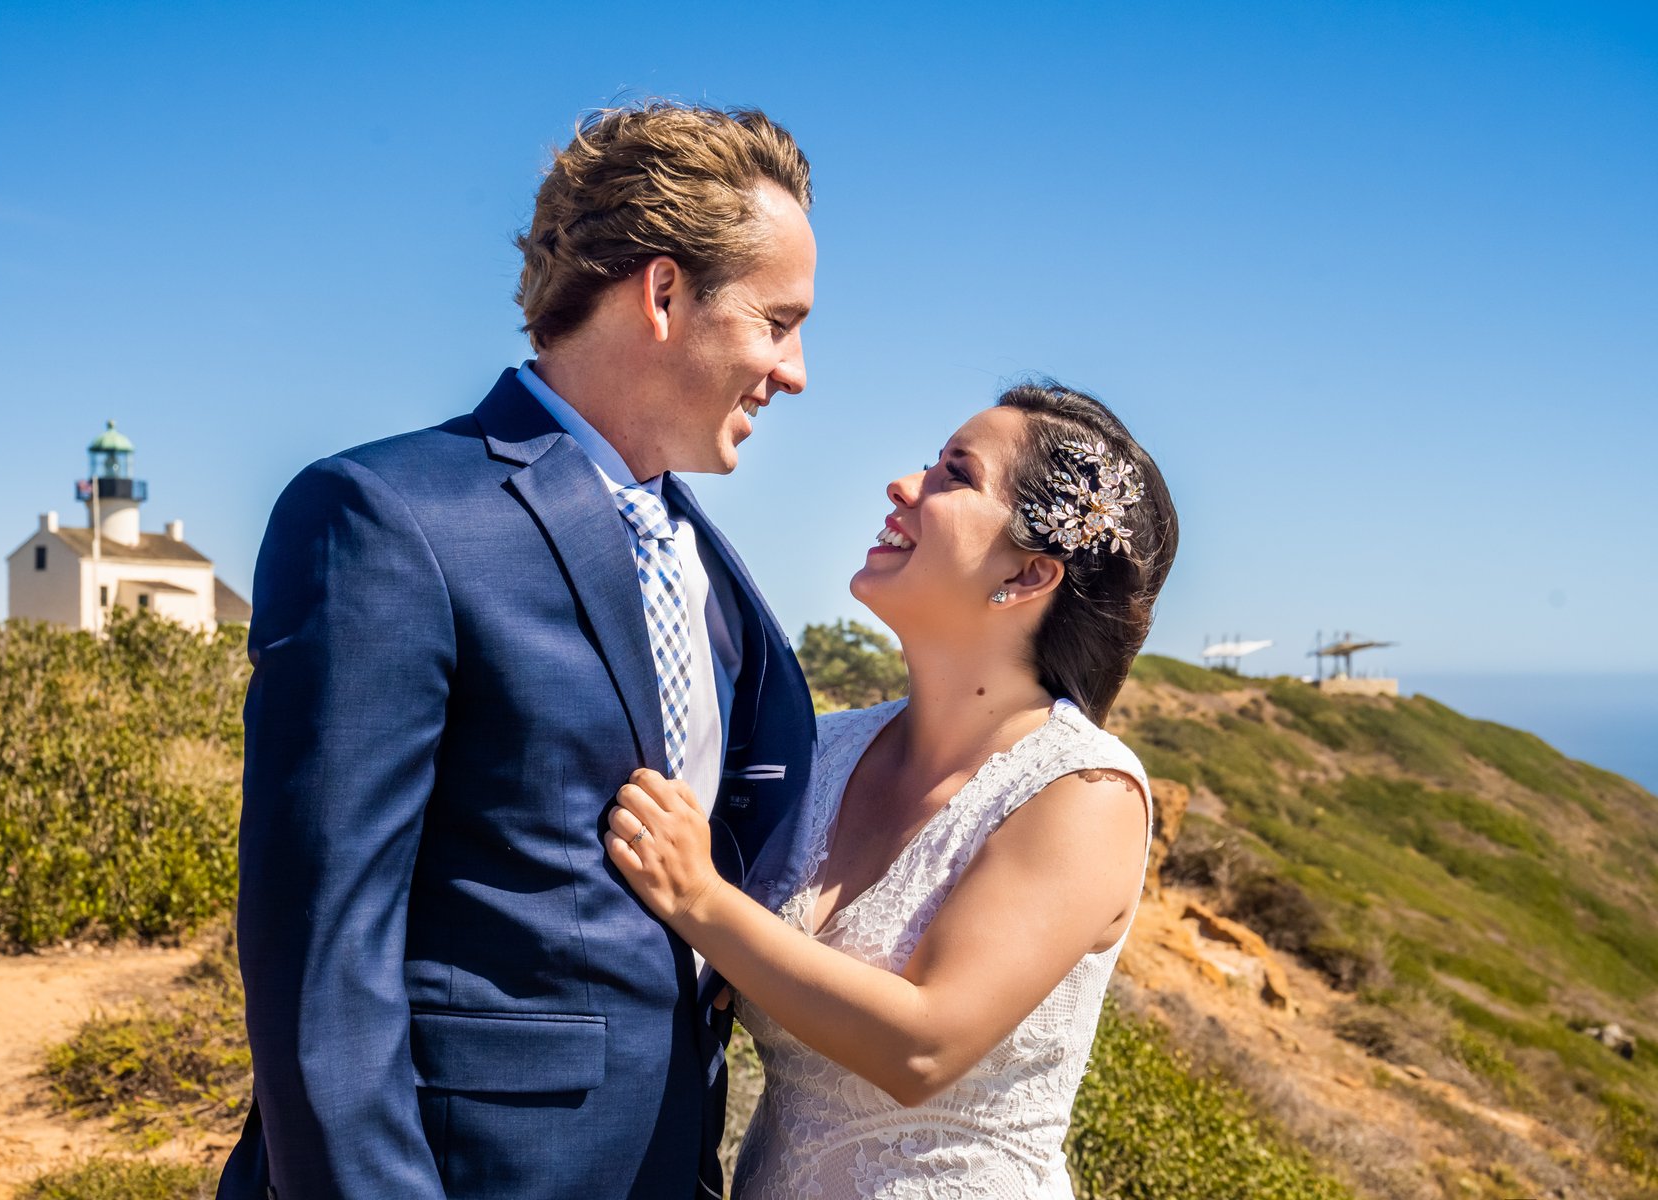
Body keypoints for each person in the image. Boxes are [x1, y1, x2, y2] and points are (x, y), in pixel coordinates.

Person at [218, 102, 820, 1200]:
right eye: (778, 322)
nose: (796, 370)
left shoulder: (709, 569)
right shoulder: (387, 517)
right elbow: (320, 962)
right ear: (664, 293)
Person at [608, 381, 1179, 1198]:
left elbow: (924, 1048)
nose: (904, 486)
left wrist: (700, 898)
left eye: (955, 475)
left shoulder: (1083, 790)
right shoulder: (821, 749)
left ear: (1027, 575)